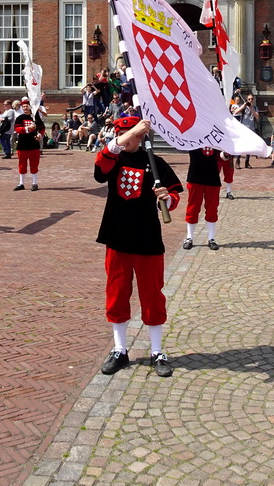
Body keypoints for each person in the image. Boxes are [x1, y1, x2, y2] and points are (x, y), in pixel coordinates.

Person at [93, 116, 183, 378]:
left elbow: (174, 193)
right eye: (123, 136)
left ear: (142, 137)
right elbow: (100, 168)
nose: (126, 140)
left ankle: (157, 351)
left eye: (133, 136)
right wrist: (124, 137)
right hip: (117, 235)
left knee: (152, 294)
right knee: (117, 292)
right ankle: (120, 349)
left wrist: (166, 199)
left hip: (147, 237)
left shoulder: (155, 163)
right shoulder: (114, 158)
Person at [184, 147, 226, 250]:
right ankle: (189, 237)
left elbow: (221, 157)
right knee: (193, 207)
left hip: (212, 178)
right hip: (195, 177)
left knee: (212, 208)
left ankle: (211, 238)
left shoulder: (216, 140)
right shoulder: (193, 139)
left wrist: (226, 152)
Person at [13, 99, 44, 191]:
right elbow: (17, 129)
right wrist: (27, 128)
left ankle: (35, 183)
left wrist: (39, 135)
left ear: (30, 107)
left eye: (26, 106)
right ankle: (21, 183)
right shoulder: (19, 118)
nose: (25, 108)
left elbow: (42, 128)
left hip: (33, 144)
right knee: (22, 164)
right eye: (23, 107)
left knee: (34, 164)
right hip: (22, 144)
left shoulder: (35, 117)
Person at [230, 93, 260, 168]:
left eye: (252, 99)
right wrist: (244, 105)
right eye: (249, 99)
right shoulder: (243, 107)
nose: (250, 100)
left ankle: (247, 162)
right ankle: (238, 161)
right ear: (247, 100)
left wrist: (251, 109)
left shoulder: (255, 107)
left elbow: (257, 117)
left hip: (251, 128)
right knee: (240, 145)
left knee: (249, 146)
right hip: (243, 128)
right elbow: (235, 112)